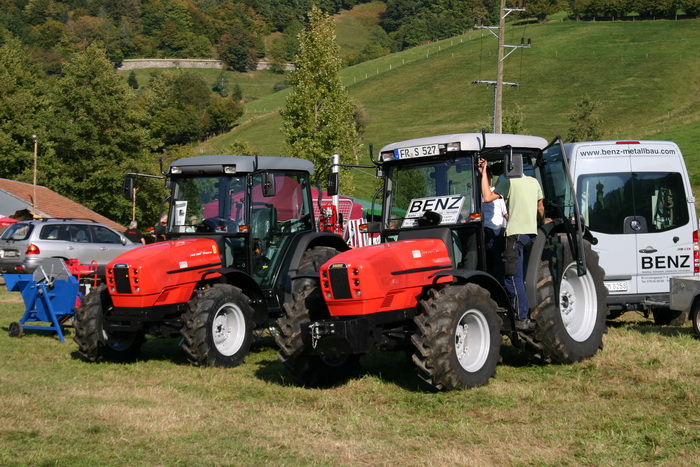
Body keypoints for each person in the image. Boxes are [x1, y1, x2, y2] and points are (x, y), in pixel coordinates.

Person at [478, 157, 544, 331]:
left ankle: (521, 317)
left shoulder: (509, 183)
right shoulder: (534, 182)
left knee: (512, 277)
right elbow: (540, 208)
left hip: (514, 236)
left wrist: (484, 173)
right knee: (519, 275)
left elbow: (487, 197)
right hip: (530, 235)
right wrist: (541, 222)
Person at [482, 164, 508, 276]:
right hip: (482, 229)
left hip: (495, 231)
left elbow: (505, 213)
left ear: (490, 177)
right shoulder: (476, 195)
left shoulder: (496, 193)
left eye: (484, 176)